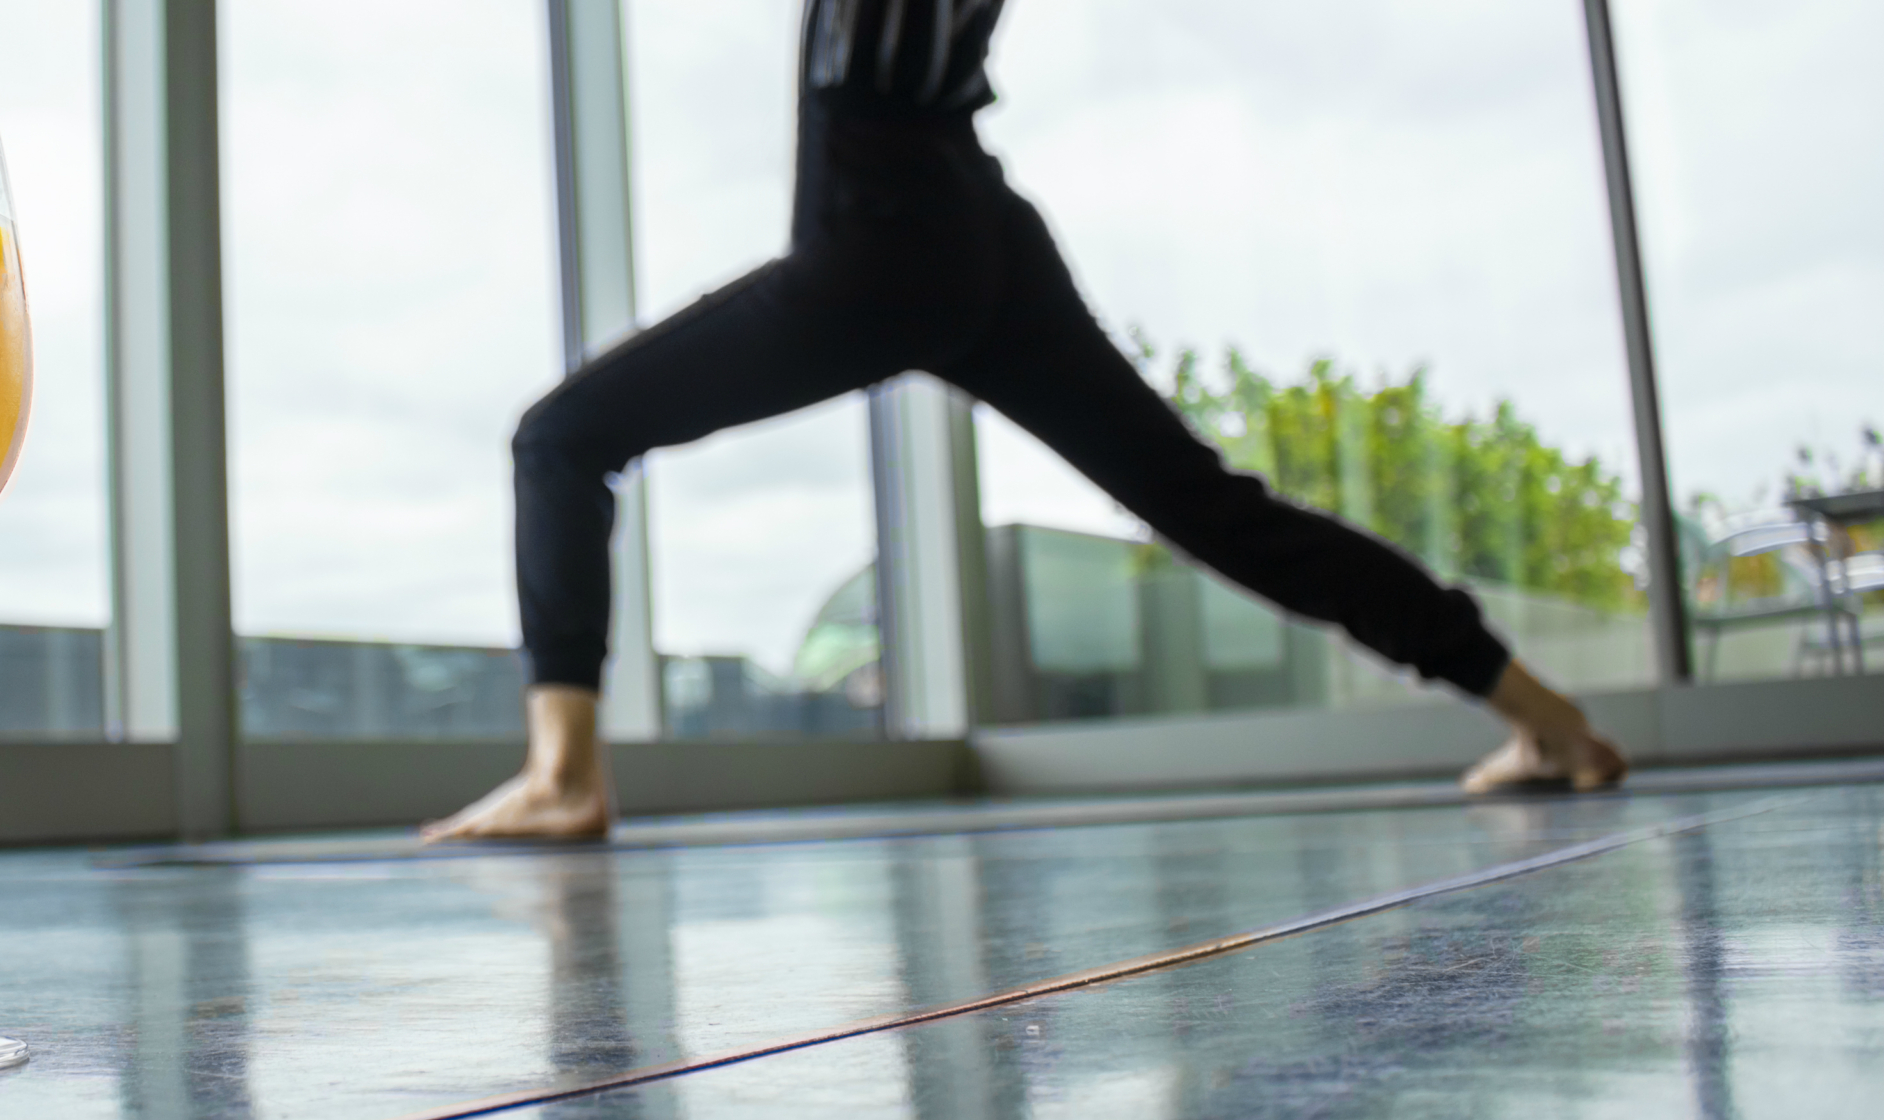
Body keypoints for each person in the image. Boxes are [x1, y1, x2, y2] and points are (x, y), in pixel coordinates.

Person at [422, 0, 1625, 842]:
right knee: (1215, 509)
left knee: (561, 438)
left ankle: (563, 773)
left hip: (884, 223)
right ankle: (1550, 722)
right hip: (973, 219)